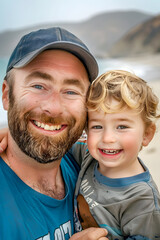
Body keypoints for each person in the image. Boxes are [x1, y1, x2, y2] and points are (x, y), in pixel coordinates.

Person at [0, 27, 109, 240]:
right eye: (39, 86)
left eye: (71, 91)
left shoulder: (89, 164)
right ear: (6, 95)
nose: (54, 108)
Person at [71, 70, 160, 239]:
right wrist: (12, 134)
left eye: (122, 127)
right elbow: (54, 144)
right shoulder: (88, 155)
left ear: (147, 134)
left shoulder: (143, 200)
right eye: (97, 127)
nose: (107, 138)